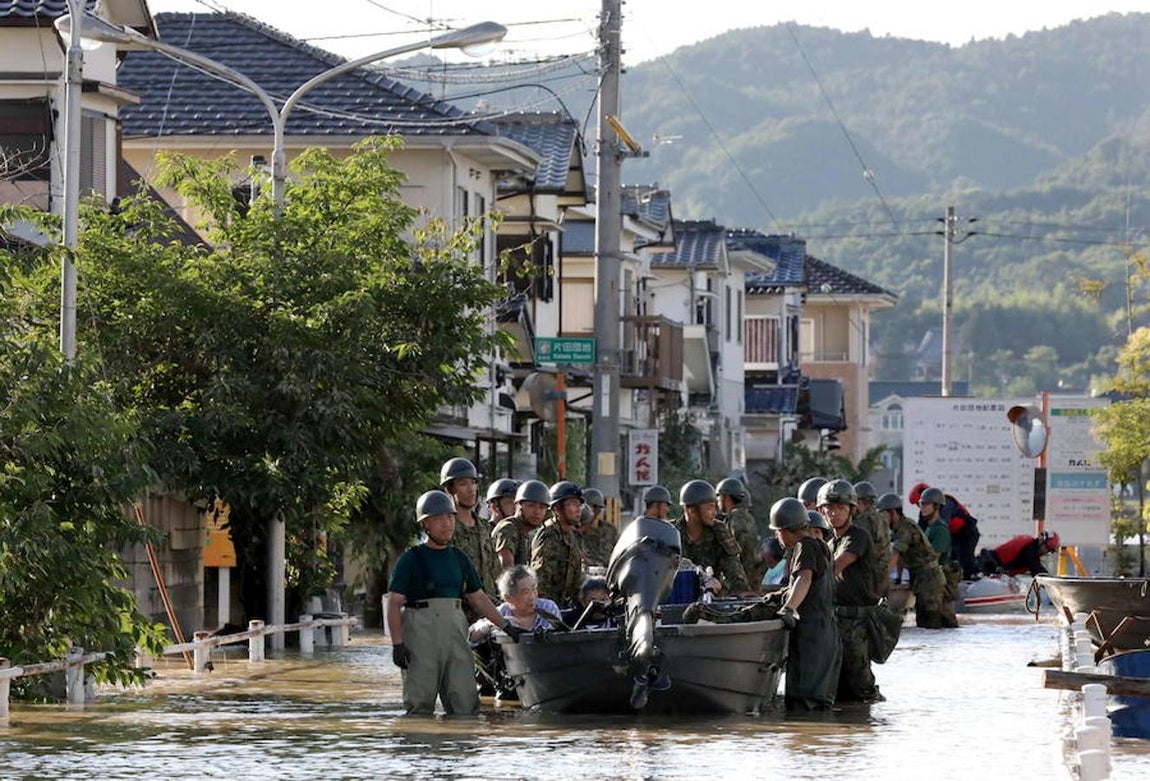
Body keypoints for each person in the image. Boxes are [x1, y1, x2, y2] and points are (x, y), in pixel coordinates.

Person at [385, 490, 526, 716]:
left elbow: (478, 598)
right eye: (439, 519)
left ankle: (458, 747)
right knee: (419, 704)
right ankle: (419, 747)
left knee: (465, 703)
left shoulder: (459, 558)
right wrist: (397, 644)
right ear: (425, 524)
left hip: (455, 632)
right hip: (420, 633)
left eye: (450, 517)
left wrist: (506, 625)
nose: (447, 524)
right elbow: (394, 604)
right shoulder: (411, 559)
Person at [769, 497, 841, 711]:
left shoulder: (805, 545)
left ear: (784, 530)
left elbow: (805, 578)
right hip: (825, 633)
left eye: (776, 531)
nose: (776, 537)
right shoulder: (819, 545)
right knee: (817, 705)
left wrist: (788, 609)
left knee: (804, 706)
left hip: (812, 638)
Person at [820, 479, 882, 704]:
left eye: (840, 508)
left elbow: (836, 566)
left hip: (856, 621)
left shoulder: (857, 537)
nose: (833, 513)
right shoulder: (829, 542)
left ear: (851, 510)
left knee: (859, 684)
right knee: (836, 685)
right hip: (834, 618)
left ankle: (865, 726)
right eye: (829, 508)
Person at [878, 492, 952, 629]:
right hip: (921, 578)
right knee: (923, 622)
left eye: (883, 514)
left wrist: (881, 579)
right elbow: (900, 558)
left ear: (893, 512)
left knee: (931, 622)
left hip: (930, 579)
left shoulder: (906, 528)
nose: (881, 519)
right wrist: (898, 579)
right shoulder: (897, 529)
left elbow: (896, 555)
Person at [440, 458, 500, 609]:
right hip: (458, 616)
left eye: (473, 482)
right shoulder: (446, 531)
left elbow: (497, 573)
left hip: (490, 615)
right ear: (450, 489)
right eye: (463, 483)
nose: (471, 489)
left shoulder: (485, 528)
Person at [672, 479, 751, 595]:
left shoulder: (719, 531)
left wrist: (738, 597)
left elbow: (735, 574)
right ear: (692, 511)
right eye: (709, 508)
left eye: (714, 507)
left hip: (711, 602)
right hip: (677, 599)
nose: (714, 513)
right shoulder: (671, 533)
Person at [468, 565, 563, 642]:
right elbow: (471, 638)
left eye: (534, 589)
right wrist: (495, 624)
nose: (532, 597)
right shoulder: (503, 612)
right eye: (525, 592)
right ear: (508, 598)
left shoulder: (548, 608)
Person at [529, 480, 586, 608]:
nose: (578, 509)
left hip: (563, 606)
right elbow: (540, 580)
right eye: (572, 504)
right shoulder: (549, 535)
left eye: (579, 505)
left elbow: (575, 577)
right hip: (547, 608)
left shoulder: (571, 535)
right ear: (556, 508)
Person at [911, 481, 981, 579]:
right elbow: (920, 530)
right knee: (951, 559)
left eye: (924, 503)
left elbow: (942, 526)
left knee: (965, 557)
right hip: (955, 535)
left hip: (967, 533)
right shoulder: (925, 513)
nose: (921, 507)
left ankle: (972, 576)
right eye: (920, 504)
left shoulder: (946, 503)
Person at [717, 477, 764, 593]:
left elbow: (745, 552)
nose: (717, 502)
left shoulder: (737, 519)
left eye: (718, 497)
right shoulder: (740, 518)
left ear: (725, 498)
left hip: (740, 585)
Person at [919, 486, 959, 622]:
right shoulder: (930, 528)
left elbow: (934, 556)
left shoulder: (940, 529)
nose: (922, 507)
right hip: (930, 584)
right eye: (921, 504)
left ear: (936, 506)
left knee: (941, 621)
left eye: (926, 504)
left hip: (940, 586)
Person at [491, 479, 549, 569]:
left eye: (542, 507)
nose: (537, 512)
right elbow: (506, 566)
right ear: (518, 505)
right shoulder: (508, 528)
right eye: (531, 505)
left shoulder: (525, 533)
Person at [854, 481, 891, 598]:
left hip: (871, 571)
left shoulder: (863, 520)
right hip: (883, 569)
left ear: (859, 502)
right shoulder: (880, 517)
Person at [978, 531, 1060, 576]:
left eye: (1051, 551)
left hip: (990, 564)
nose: (1047, 552)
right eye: (1048, 549)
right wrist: (1053, 585)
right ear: (1042, 542)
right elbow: (1037, 570)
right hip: (988, 566)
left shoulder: (1030, 547)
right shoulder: (1031, 550)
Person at [579, 487, 619, 568]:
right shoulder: (578, 530)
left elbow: (619, 552)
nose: (591, 511)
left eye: (594, 507)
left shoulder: (610, 530)